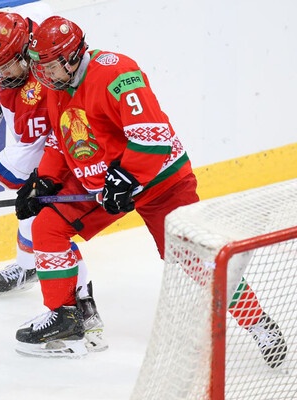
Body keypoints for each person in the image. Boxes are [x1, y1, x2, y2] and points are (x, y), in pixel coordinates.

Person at [14, 15, 287, 366]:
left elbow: (152, 137)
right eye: (40, 66)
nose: (43, 75)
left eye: (50, 66)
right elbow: (60, 138)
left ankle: (258, 323)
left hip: (160, 180)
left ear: (71, 57)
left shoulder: (116, 73)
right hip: (105, 181)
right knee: (47, 227)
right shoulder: (56, 86)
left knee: (197, 260)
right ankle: (66, 320)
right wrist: (46, 179)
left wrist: (127, 176)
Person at [0, 11, 107, 354]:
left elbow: (33, 147)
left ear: (24, 55)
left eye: (5, 66)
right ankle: (27, 268)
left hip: (74, 157)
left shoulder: (41, 80)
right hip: (50, 153)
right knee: (29, 214)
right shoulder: (14, 71)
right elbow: (24, 136)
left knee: (48, 226)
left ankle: (82, 304)